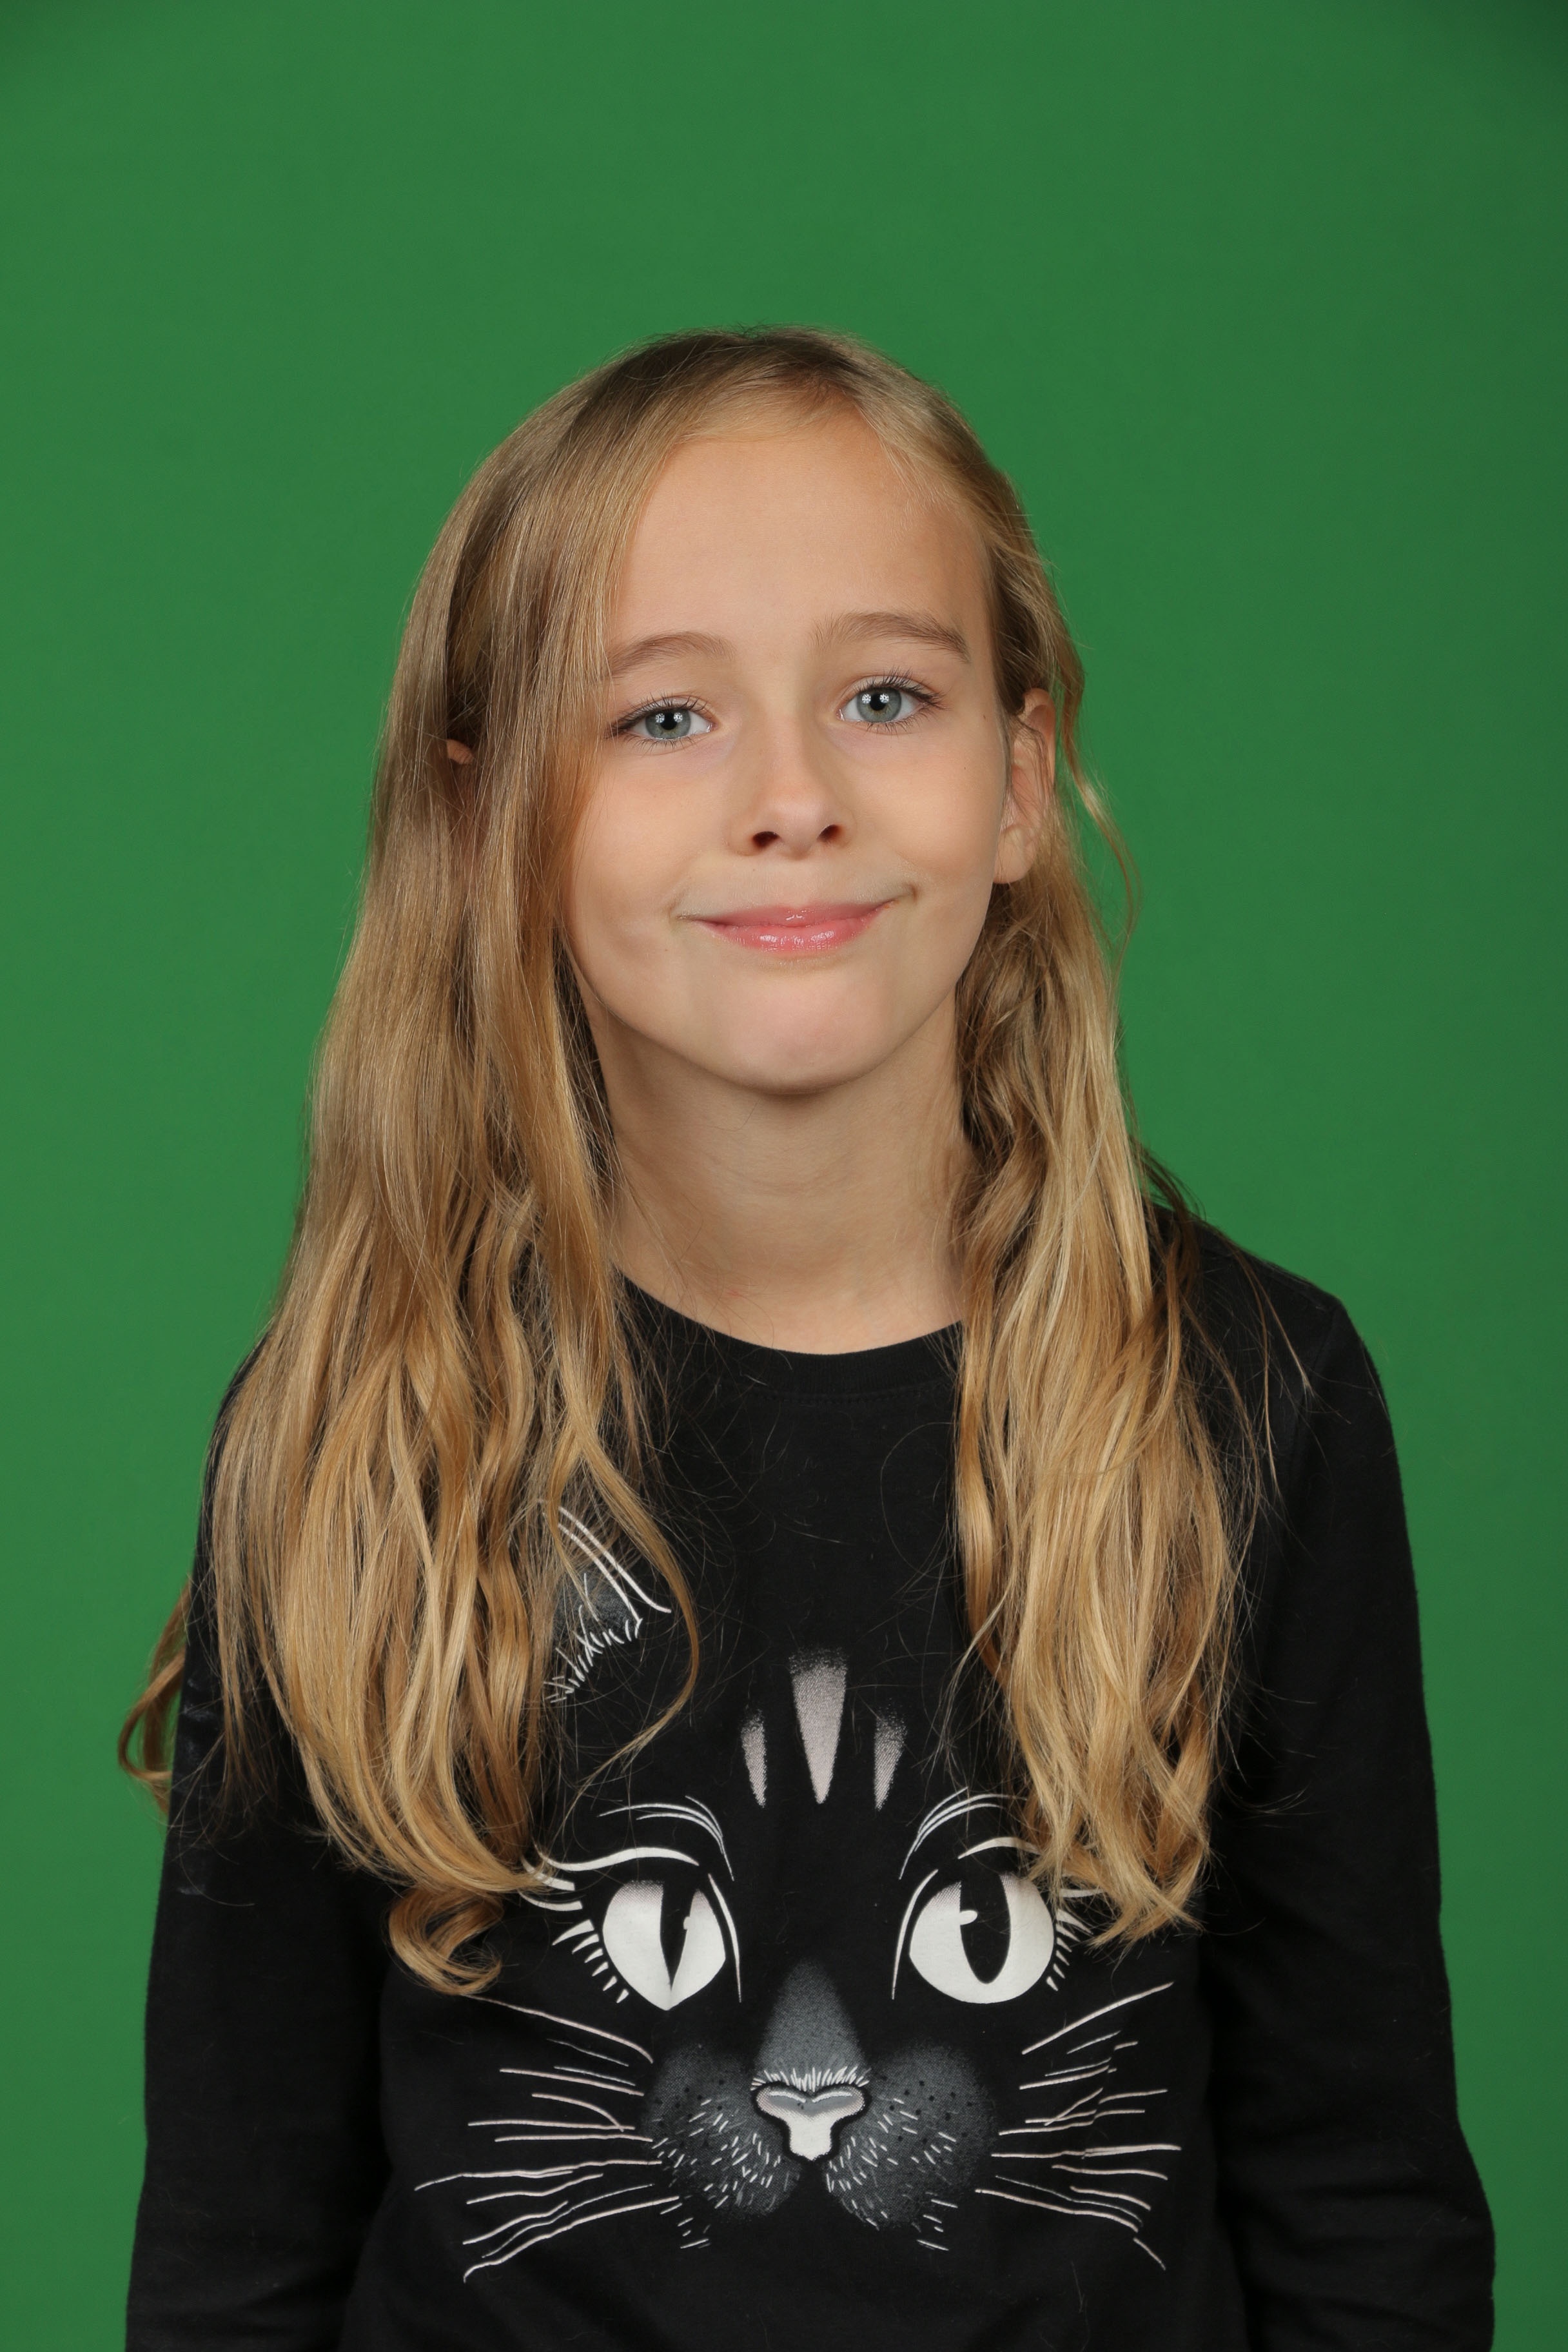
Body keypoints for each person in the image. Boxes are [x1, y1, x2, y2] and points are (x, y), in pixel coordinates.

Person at [121, 327, 1493, 2350]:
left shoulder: (1246, 1402)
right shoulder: (353, 1433)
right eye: (665, 714)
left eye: (884, 697)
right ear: (494, 816)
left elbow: (1363, 2206)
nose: (791, 799)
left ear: (1018, 777)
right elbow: (235, 2253)